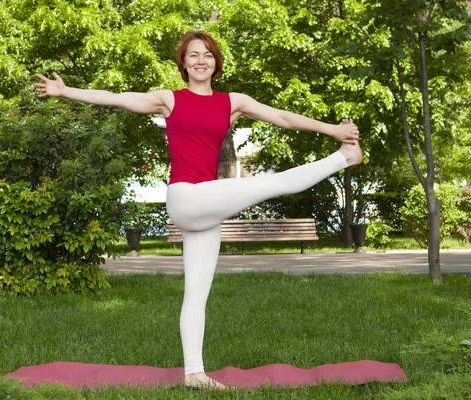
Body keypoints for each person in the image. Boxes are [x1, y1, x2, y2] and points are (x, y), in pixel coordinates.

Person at [34, 30, 362, 389]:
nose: (200, 60)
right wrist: (65, 91)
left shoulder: (232, 102)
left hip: (206, 208)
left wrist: (332, 129)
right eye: (193, 55)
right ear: (184, 64)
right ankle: (344, 158)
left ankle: (194, 373)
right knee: (273, 183)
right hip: (185, 197)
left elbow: (282, 117)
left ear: (216, 63)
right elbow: (116, 98)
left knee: (197, 294)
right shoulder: (168, 99)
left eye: (207, 55)